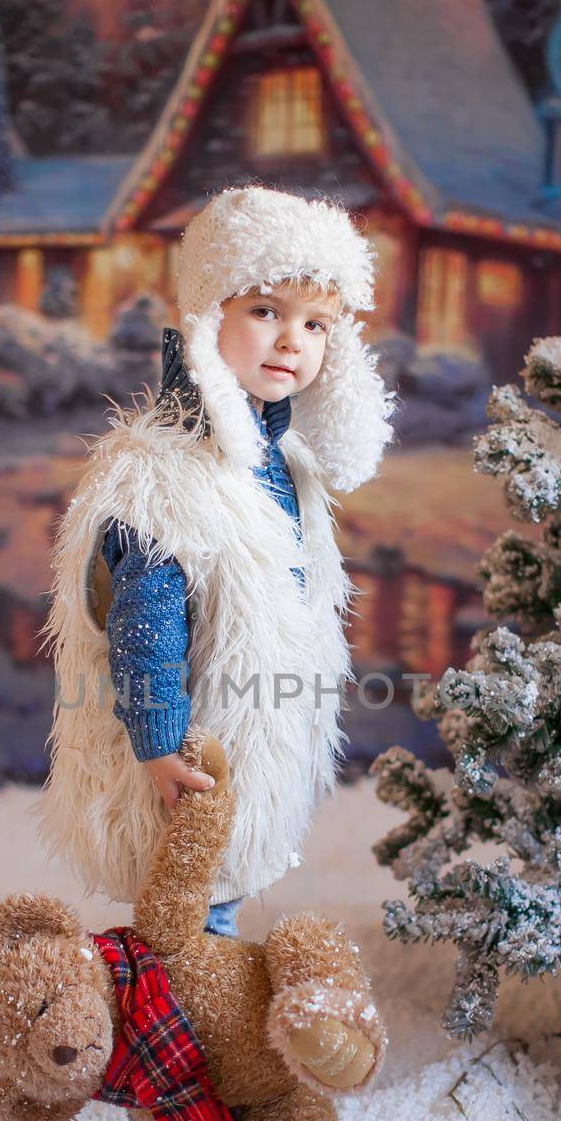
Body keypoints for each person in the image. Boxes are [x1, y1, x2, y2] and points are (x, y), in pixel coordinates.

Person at [34, 183, 397, 939]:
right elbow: (146, 621)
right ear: (208, 317)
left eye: (315, 323)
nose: (291, 340)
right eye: (264, 311)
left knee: (215, 891)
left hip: (255, 729)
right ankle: (172, 1031)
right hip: (190, 746)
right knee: (187, 901)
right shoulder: (164, 475)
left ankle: (191, 1007)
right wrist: (162, 744)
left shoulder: (282, 461)